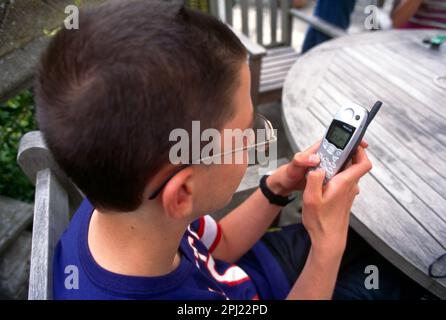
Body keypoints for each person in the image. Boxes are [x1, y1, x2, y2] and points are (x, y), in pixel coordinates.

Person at [36, 0, 425, 300]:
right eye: (247, 132)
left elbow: (218, 243)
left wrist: (277, 186)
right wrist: (327, 245)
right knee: (404, 278)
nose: (257, 141)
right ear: (183, 192)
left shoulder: (124, 202)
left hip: (252, 269)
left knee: (374, 246)